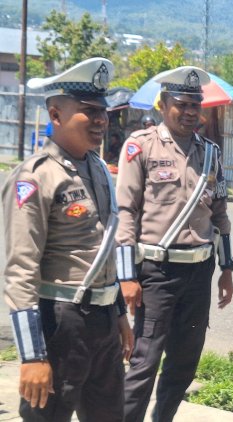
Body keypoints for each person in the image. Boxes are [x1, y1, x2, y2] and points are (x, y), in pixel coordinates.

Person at [2, 57, 132, 421]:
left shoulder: (99, 169)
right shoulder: (35, 178)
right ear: (56, 115)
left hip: (103, 320)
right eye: (89, 111)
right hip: (60, 322)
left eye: (103, 112)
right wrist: (32, 355)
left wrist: (119, 314)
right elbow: (20, 269)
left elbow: (104, 248)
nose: (101, 121)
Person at [115, 65, 233, 422]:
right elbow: (125, 213)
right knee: (144, 362)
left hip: (199, 272)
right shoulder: (141, 147)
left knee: (185, 362)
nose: (189, 112)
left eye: (194, 105)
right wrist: (126, 277)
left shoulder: (211, 154)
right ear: (164, 103)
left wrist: (227, 270)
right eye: (181, 104)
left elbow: (220, 217)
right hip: (156, 272)